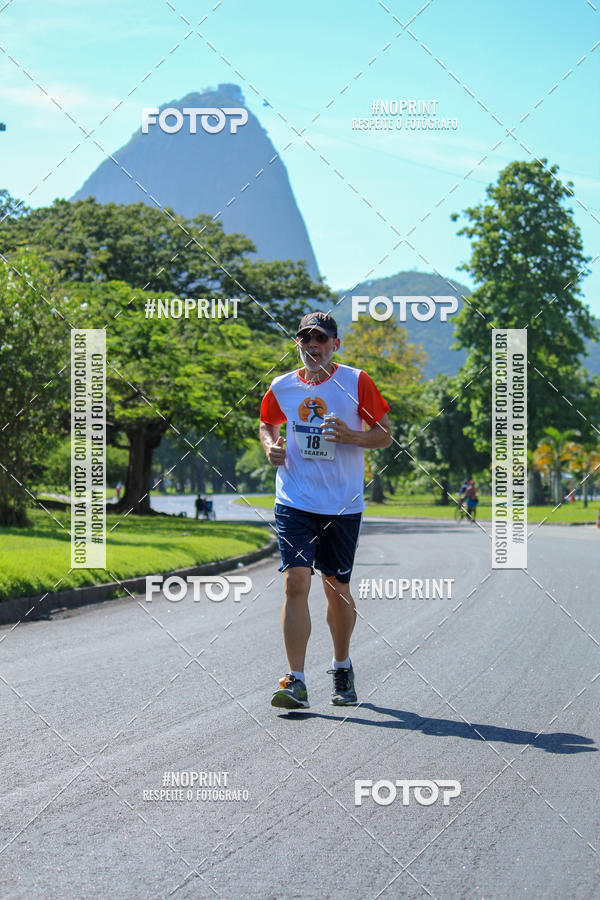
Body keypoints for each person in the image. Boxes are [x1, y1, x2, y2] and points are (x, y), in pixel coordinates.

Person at [259, 312, 393, 710]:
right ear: (298, 344)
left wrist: (352, 435)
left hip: (342, 504)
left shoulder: (356, 381)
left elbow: (385, 435)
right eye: (305, 339)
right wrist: (270, 446)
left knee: (336, 589)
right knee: (296, 581)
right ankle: (295, 679)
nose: (312, 345)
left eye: (321, 339)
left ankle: (341, 665)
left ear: (336, 344)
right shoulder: (281, 386)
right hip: (294, 501)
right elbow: (267, 423)